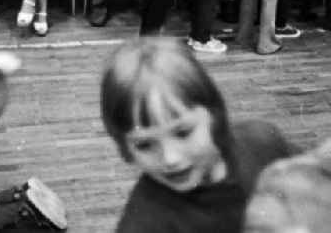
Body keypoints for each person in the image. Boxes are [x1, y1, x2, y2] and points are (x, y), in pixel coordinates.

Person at [100, 38, 293, 233]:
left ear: (214, 116)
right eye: (144, 145)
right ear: (125, 148)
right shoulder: (145, 223)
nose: (170, 158)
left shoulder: (263, 143)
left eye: (183, 133)